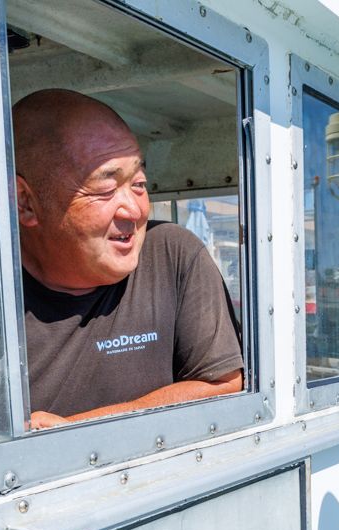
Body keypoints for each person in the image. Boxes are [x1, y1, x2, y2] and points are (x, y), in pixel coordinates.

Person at [12, 89, 243, 429]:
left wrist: (74, 431)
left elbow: (222, 384)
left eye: (138, 183)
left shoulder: (173, 254)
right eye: (105, 190)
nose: (135, 211)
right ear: (26, 203)